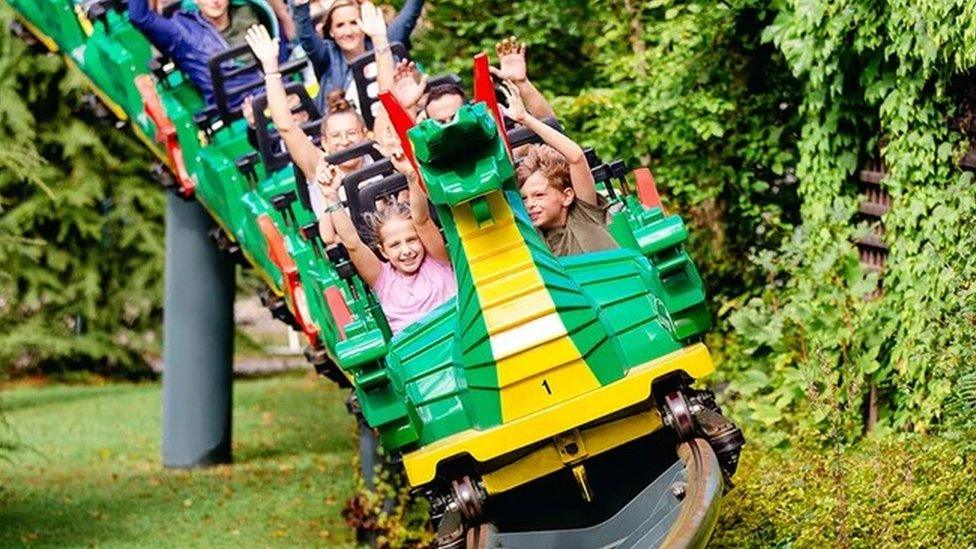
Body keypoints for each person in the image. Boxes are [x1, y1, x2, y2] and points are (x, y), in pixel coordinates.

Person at [500, 81, 618, 256]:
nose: (530, 204)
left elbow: (576, 157)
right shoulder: (534, 239)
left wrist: (525, 118)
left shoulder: (583, 215)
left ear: (567, 196)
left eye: (539, 195)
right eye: (525, 199)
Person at [129, 0, 271, 108]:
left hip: (275, 89)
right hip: (237, 105)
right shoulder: (182, 31)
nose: (215, 1)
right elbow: (140, 17)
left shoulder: (250, 11)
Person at [291, 0, 424, 113]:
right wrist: (300, 5)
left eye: (354, 23)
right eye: (340, 25)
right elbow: (305, 36)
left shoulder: (383, 41)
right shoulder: (327, 56)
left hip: (391, 123)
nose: (348, 32)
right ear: (331, 31)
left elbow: (409, 15)